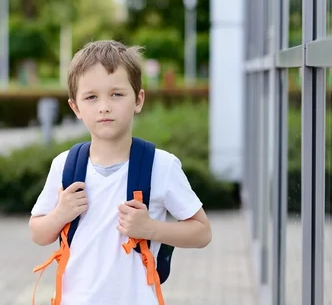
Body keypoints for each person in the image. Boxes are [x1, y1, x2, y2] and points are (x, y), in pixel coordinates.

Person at [29, 40, 212, 305]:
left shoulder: (161, 165)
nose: (104, 106)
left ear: (138, 99)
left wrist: (150, 228)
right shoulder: (65, 165)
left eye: (116, 94)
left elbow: (202, 232)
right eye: (91, 97)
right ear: (75, 108)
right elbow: (38, 233)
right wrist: (60, 214)